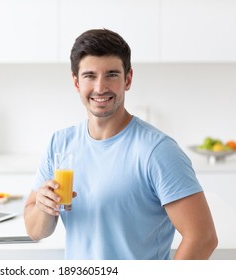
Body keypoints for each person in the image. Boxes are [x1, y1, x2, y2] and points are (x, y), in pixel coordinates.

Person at [24, 28, 218, 260]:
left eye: (112, 75)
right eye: (90, 76)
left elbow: (203, 237)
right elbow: (34, 231)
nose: (100, 87)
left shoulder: (157, 151)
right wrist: (44, 209)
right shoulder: (60, 143)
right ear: (76, 82)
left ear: (128, 79)